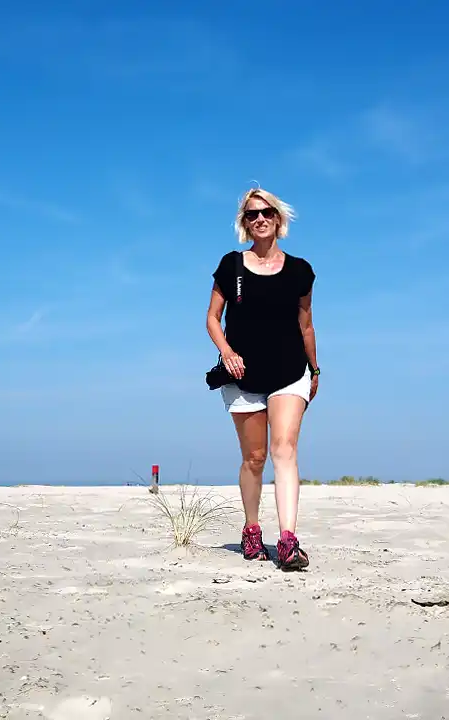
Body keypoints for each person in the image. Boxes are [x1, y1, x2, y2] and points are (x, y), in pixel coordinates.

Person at [205, 187, 319, 571]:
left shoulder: (300, 270)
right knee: (255, 458)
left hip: (290, 372)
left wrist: (315, 369)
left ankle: (288, 541)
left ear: (278, 218)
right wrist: (227, 352)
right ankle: (252, 530)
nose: (260, 219)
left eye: (266, 212)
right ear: (244, 223)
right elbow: (211, 319)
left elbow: (306, 325)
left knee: (284, 449)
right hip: (243, 375)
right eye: (252, 214)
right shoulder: (231, 265)